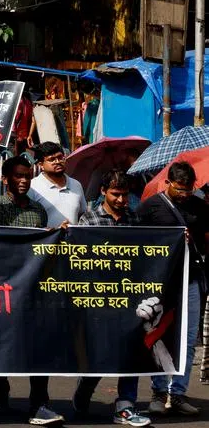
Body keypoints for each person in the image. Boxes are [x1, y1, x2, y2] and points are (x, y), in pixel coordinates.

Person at [0, 137, 62, 426]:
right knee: (2, 343)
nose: (23, 181)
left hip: (32, 289)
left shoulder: (38, 211)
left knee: (37, 345)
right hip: (1, 288)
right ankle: (1, 390)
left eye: (27, 176)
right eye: (17, 176)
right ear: (6, 179)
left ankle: (39, 403)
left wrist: (56, 233)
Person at [73, 171, 152, 427]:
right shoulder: (89, 219)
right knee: (101, 353)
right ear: (104, 192)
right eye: (115, 194)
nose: (121, 200)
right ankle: (85, 389)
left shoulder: (133, 218)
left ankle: (126, 404)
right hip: (99, 297)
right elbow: (79, 257)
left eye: (125, 194)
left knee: (131, 349)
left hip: (129, 296)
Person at [137, 161, 205, 417]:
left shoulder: (199, 207)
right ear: (167, 184)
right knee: (160, 335)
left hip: (192, 280)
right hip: (161, 283)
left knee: (188, 340)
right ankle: (158, 392)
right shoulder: (151, 207)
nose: (184, 195)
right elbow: (135, 238)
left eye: (188, 190)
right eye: (179, 189)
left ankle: (178, 393)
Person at [29, 142, 86, 229]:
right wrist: (54, 231)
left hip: (73, 241)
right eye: (51, 159)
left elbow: (82, 215)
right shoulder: (33, 187)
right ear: (41, 165)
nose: (57, 162)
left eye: (60, 157)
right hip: (44, 241)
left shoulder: (76, 185)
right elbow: (29, 222)